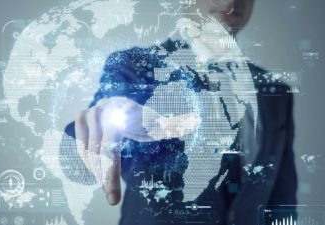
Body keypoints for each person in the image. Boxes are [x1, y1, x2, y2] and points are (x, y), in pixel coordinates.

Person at [59, 0, 297, 224]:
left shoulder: (275, 93)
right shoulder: (136, 67)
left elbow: (282, 199)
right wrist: (93, 131)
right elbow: (83, 159)